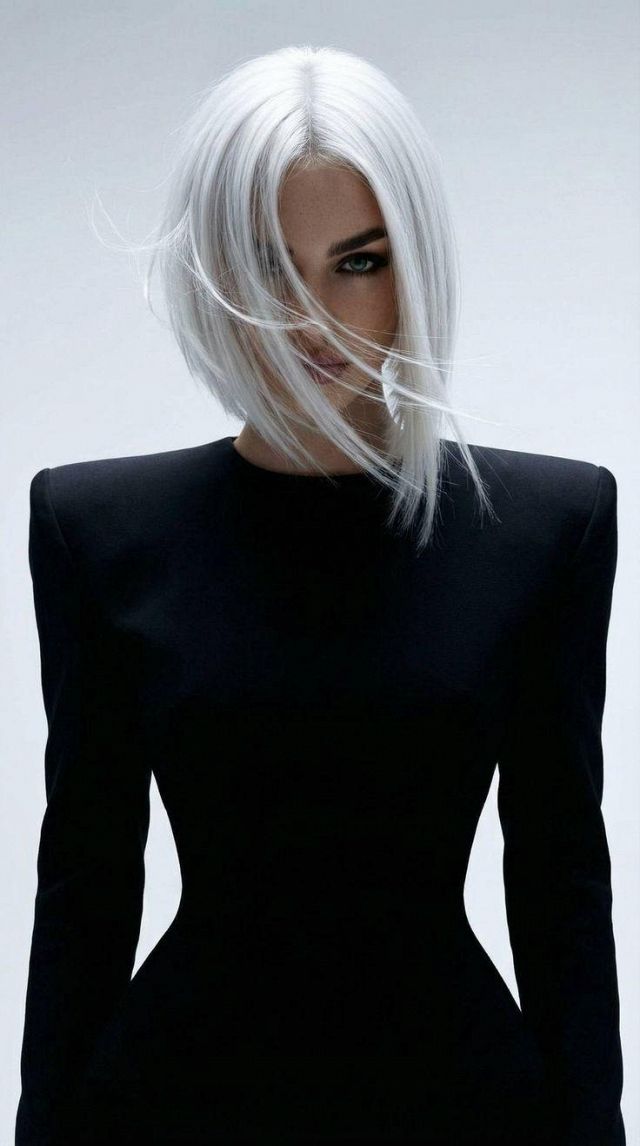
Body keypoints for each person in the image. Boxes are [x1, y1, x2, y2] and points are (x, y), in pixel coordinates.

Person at [15, 45, 625, 1146]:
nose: (310, 317)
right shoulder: (97, 530)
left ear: (414, 263)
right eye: (268, 265)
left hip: (461, 1104)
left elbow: (559, 881)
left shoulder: (546, 529)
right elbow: (87, 885)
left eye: (357, 261)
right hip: (172, 1104)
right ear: (212, 267)